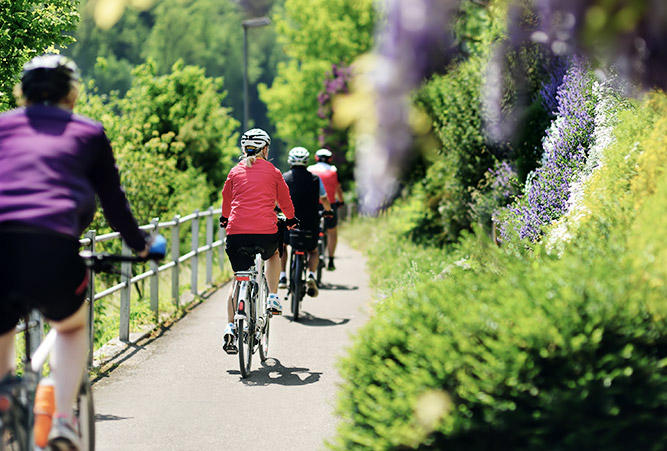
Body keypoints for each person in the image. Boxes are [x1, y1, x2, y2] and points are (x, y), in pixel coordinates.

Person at [0, 54, 154, 450]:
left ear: (23, 93)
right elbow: (114, 203)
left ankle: (3, 399)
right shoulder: (88, 132)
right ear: (72, 94)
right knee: (69, 326)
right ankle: (64, 419)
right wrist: (140, 246)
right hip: (54, 246)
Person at [219, 128, 298, 354]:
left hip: (236, 234)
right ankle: (273, 297)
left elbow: (227, 201)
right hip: (265, 232)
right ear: (265, 149)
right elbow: (285, 200)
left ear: (244, 149)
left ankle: (231, 326)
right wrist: (291, 220)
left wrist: (226, 219)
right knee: (274, 254)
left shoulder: (234, 172)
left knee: (238, 278)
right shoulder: (273, 171)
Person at [279, 147, 333, 296]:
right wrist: (328, 211)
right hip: (310, 222)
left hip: (290, 222)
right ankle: (311, 275)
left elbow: (277, 198)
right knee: (313, 250)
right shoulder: (315, 179)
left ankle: (282, 277)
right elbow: (324, 199)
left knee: (283, 246)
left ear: (290, 161)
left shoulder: (285, 177)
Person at [307, 148, 345, 270]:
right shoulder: (333, 170)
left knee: (311, 228)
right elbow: (337, 187)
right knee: (332, 231)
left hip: (312, 204)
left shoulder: (310, 169)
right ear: (330, 159)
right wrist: (341, 200)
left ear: (316, 158)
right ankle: (331, 259)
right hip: (329, 204)